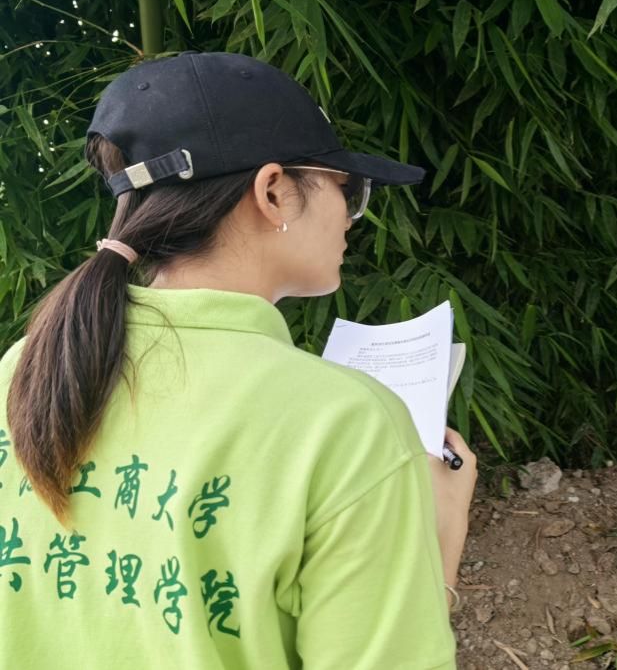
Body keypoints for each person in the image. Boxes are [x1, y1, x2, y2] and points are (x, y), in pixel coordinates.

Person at [0, 51, 476, 669]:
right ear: (273, 191)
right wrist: (439, 546)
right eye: (347, 189)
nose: (352, 216)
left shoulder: (24, 367)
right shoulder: (347, 424)